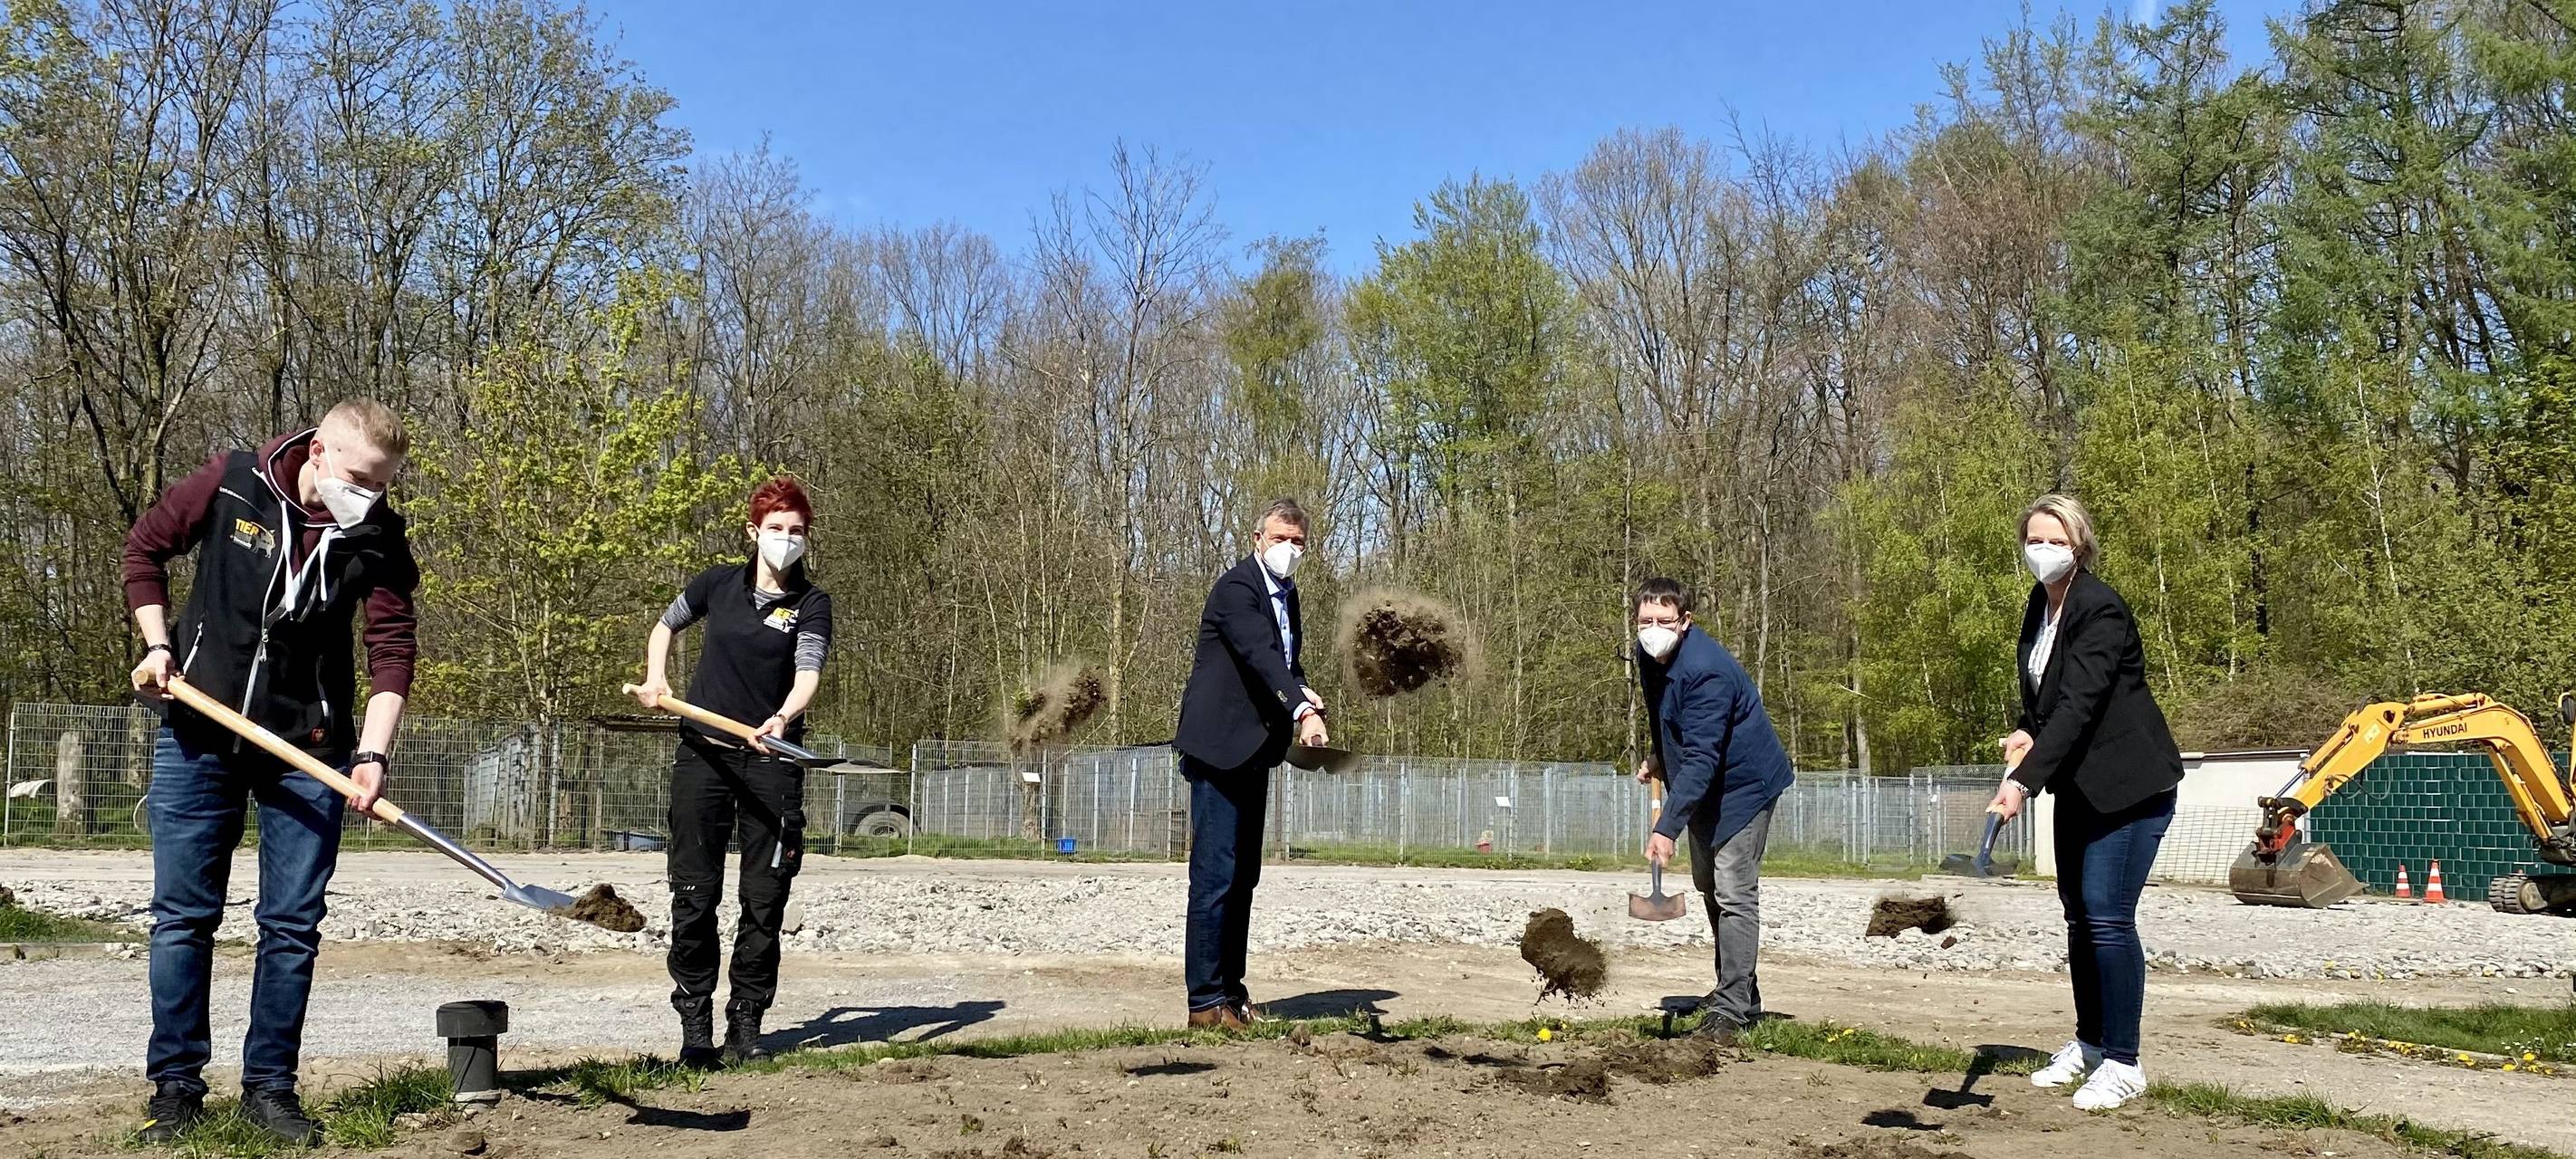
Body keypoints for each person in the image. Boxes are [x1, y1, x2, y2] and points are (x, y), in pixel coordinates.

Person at [121, 399, 420, 1145]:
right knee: (183, 919)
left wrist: (371, 755)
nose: (370, 495)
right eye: (359, 478)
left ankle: (270, 1090)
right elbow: (144, 551)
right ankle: (176, 1090)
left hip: (308, 752)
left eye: (382, 484)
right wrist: (160, 648)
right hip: (199, 732)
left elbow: (391, 649)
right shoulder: (231, 484)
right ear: (318, 451)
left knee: (292, 926)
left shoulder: (378, 536)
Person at [629, 477, 834, 1068]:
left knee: (764, 898)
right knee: (694, 895)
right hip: (705, 758)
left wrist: (783, 716)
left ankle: (746, 1025)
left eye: (796, 531)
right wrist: (657, 678)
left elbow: (808, 672)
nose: (786, 540)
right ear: (754, 532)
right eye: (776, 529)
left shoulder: (811, 604)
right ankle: (695, 1026)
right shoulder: (717, 585)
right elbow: (665, 626)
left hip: (772, 762)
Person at [1987, 493, 2183, 1111]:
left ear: (2081, 546)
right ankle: (2091, 1045)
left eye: (2056, 541)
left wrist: (2022, 781)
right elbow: (2047, 697)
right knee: (2079, 917)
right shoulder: (2039, 606)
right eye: (2034, 539)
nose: (2042, 551)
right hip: (2078, 783)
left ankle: (2124, 1063)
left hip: (2130, 787)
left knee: (2107, 917)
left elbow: (2081, 705)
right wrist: (2025, 729)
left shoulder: (2101, 610)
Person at [1172, 498, 1329, 1030]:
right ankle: (1204, 1003)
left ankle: (1232, 995)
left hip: (1256, 749)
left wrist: (1305, 691)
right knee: (1215, 876)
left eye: (1299, 542)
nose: (1290, 549)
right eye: (1282, 538)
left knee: (1244, 876)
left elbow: (1286, 663)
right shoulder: (1238, 589)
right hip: (1218, 747)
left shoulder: (1288, 596)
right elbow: (1260, 654)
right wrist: (1301, 708)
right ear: (1258, 538)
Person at [1629, 578, 1796, 1044]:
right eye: (1646, 621)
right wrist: (1661, 757)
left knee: (1733, 892)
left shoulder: (1707, 671)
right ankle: (1738, 990)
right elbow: (1666, 717)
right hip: (1703, 784)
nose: (1653, 629)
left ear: (1685, 622)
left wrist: (1667, 828)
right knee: (1708, 886)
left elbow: (1705, 754)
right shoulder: (1648, 657)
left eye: (1664, 621)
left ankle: (1733, 1012)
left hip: (1744, 786)